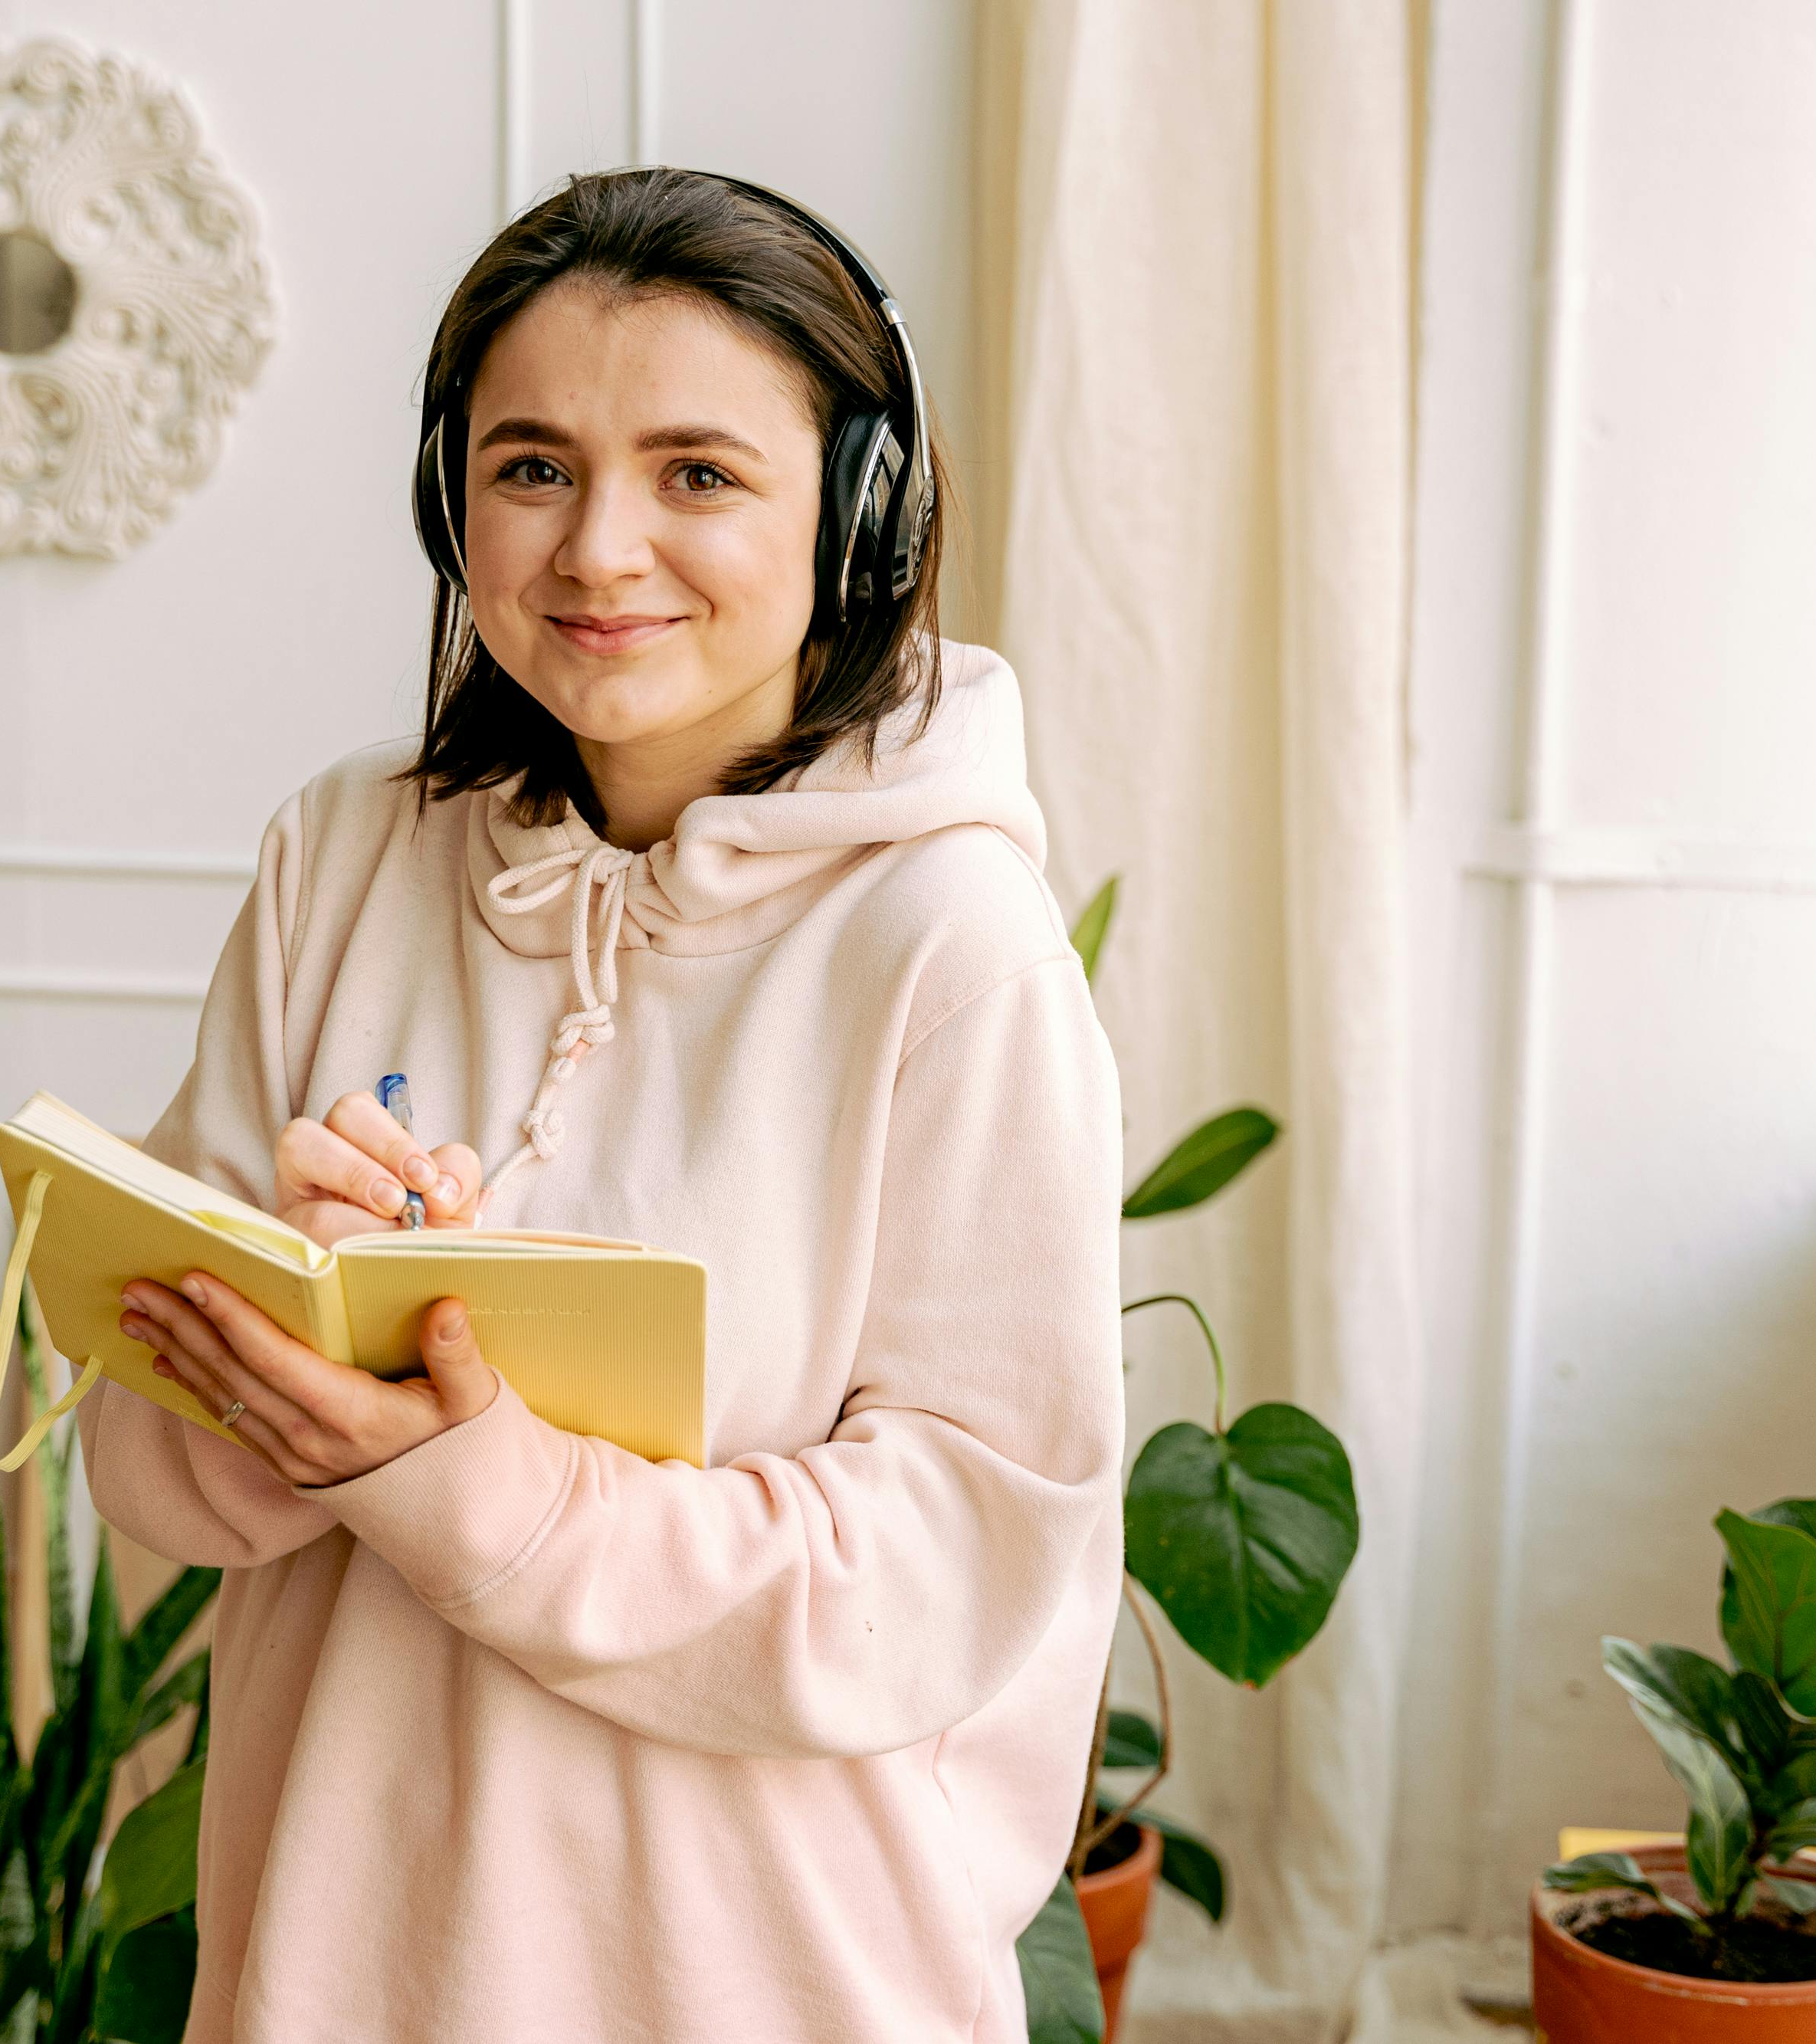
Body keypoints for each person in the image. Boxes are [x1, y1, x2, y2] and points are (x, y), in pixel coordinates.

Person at [81, 165, 1125, 2044]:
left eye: (699, 473)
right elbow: (146, 1471)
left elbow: (940, 1570)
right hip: (347, 1956)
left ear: (856, 512)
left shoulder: (954, 943)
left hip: (770, 1974)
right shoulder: (340, 857)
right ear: (449, 493)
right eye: (532, 464)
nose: (597, 550)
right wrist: (270, 1351)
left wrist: (460, 1479)